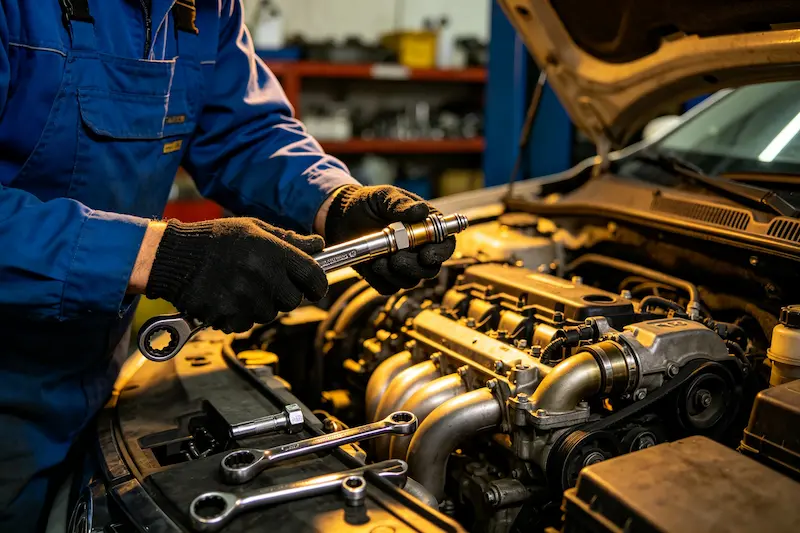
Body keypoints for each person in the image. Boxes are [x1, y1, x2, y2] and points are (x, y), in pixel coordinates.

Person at [0, 1, 456, 529]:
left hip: (92, 368)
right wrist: (162, 255)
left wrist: (335, 205)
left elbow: (243, 131)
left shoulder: (205, 6)